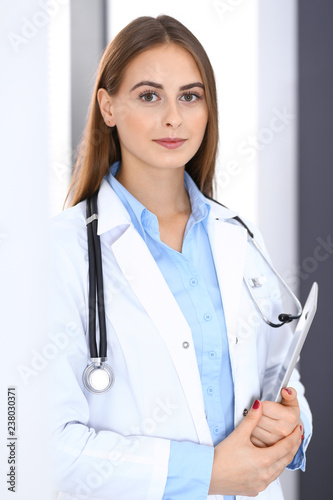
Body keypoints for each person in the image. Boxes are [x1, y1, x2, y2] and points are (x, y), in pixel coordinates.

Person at [49, 14, 312, 500]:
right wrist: (206, 472)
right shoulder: (58, 254)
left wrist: (294, 424)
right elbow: (42, 451)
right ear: (107, 106)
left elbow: (280, 375)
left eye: (190, 96)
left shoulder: (239, 238)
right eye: (150, 96)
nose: (174, 117)